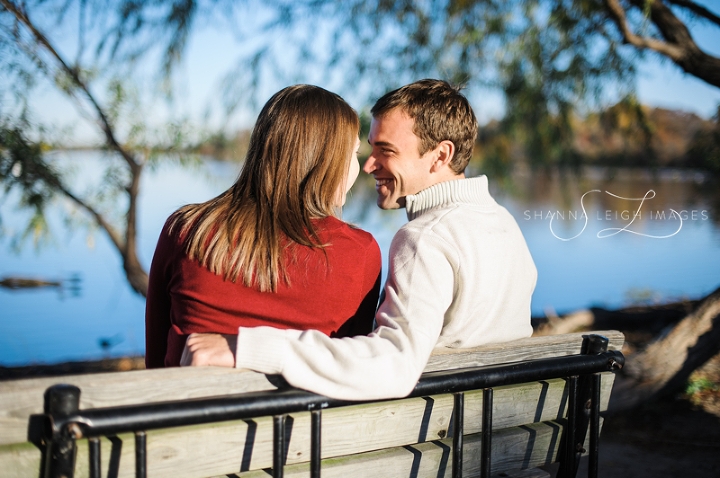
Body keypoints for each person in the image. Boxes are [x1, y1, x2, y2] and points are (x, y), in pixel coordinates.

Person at [181, 79, 537, 400]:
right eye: (369, 149)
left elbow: (395, 364)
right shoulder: (504, 225)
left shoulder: (426, 238)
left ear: (440, 156)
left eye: (387, 150)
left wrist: (251, 347)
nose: (369, 165)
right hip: (505, 438)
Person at [145, 84, 382, 368]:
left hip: (192, 408)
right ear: (324, 161)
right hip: (307, 414)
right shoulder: (359, 253)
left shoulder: (187, 231)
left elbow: (156, 360)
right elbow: (348, 368)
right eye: (354, 154)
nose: (359, 167)